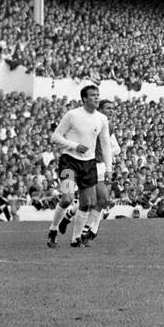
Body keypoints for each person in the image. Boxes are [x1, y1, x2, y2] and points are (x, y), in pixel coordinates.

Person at [48, 84, 111, 249]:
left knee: (86, 203)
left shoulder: (102, 119)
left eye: (98, 95)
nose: (96, 98)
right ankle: (53, 229)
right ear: (84, 99)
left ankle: (75, 239)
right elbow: (55, 136)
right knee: (68, 198)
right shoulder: (72, 115)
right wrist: (74, 146)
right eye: (92, 95)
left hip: (89, 164)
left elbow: (106, 146)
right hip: (69, 161)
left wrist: (109, 168)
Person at [81, 97, 120, 244]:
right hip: (88, 165)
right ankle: (74, 223)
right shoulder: (89, 122)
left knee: (103, 200)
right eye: (108, 108)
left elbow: (114, 148)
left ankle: (89, 231)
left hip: (102, 166)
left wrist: (108, 163)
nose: (111, 111)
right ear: (100, 109)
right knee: (89, 201)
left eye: (112, 109)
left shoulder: (109, 126)